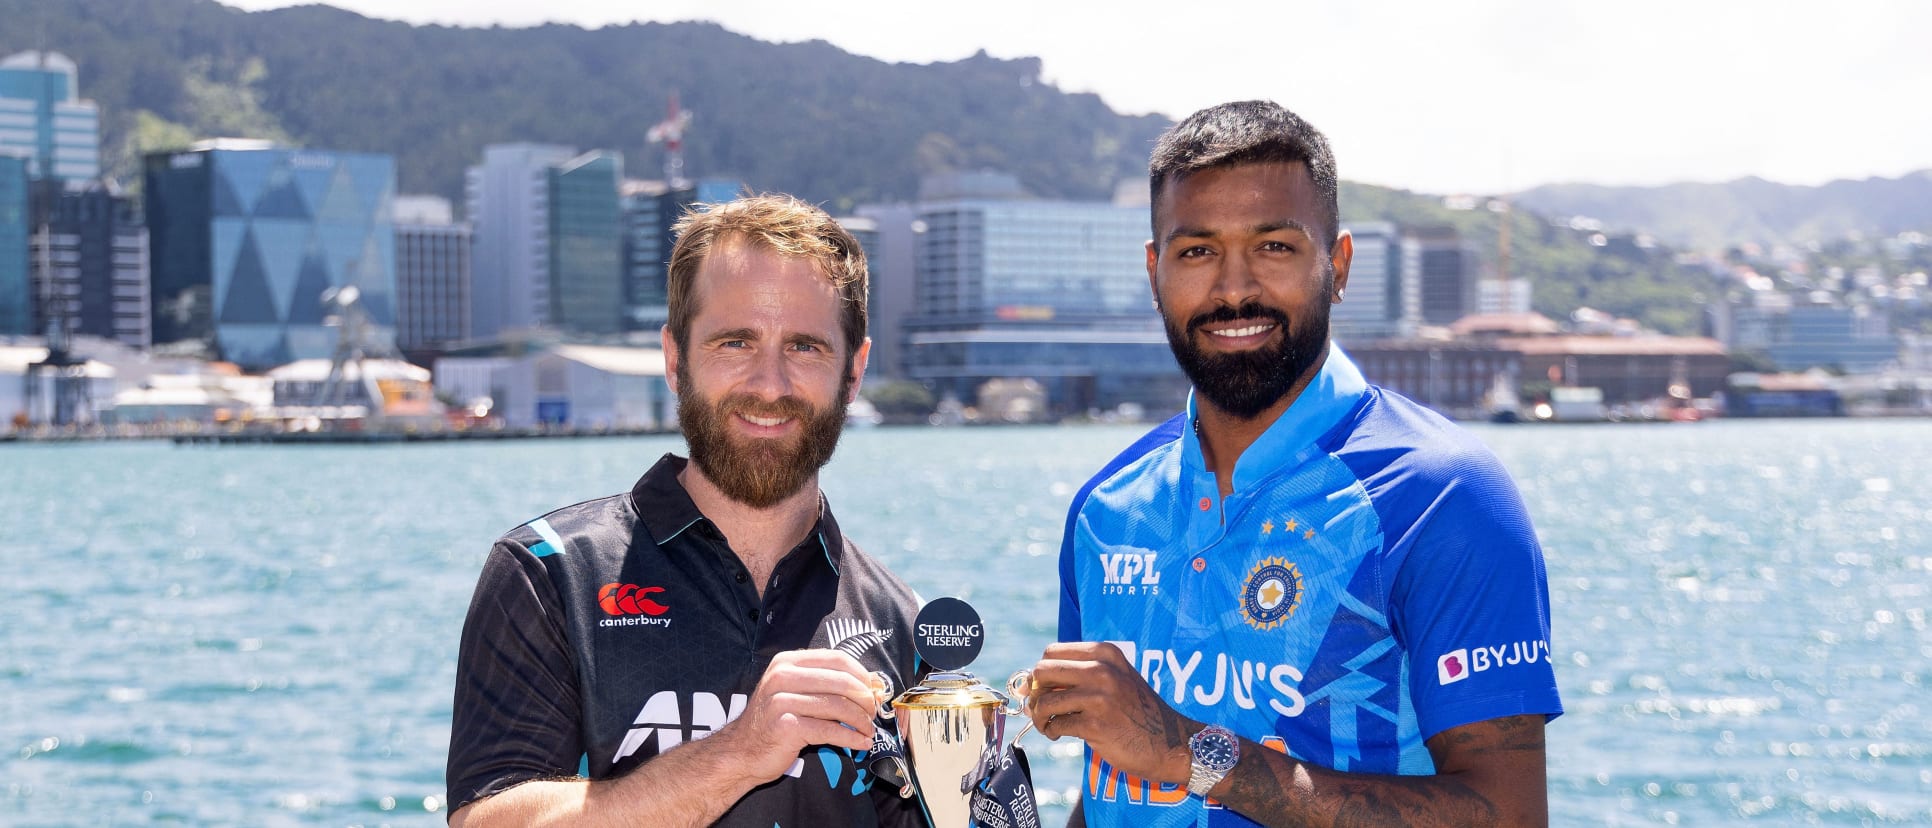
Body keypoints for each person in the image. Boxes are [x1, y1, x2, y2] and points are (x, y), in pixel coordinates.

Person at [1025, 101, 1563, 826]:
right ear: (1155, 273)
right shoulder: (1105, 508)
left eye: (1274, 247)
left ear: (1337, 267)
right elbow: (1112, 789)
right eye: (1197, 251)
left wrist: (1187, 752)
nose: (1234, 288)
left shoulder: (1443, 495)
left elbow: (1509, 815)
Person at [446, 195, 926, 827]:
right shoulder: (548, 573)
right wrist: (739, 753)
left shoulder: (902, 622)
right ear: (675, 360)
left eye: (806, 347)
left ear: (854, 372)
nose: (770, 384)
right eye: (735, 342)